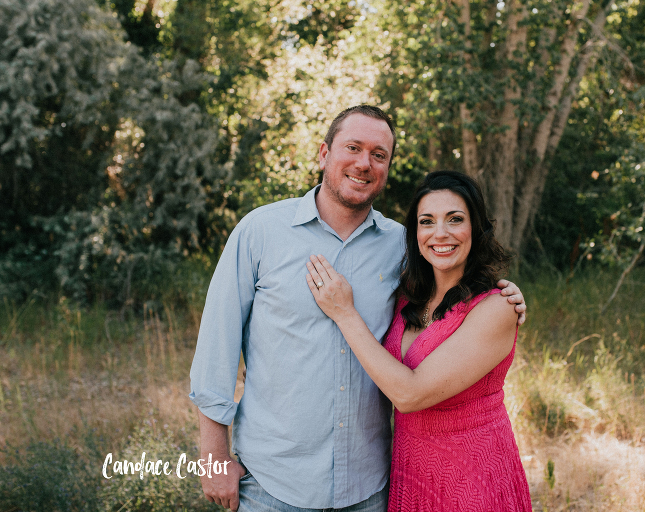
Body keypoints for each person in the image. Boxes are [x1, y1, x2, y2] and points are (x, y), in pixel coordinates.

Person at [189, 105, 527, 512]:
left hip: (369, 487)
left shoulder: (401, 246)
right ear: (324, 153)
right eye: (353, 147)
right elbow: (216, 349)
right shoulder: (260, 233)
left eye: (379, 155)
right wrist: (213, 457)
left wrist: (502, 294)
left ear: (387, 166)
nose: (364, 163)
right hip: (273, 485)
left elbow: (451, 290)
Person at [306, 170, 532, 511]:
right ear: (415, 233)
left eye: (455, 219)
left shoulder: (496, 307)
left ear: (476, 228)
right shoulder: (407, 298)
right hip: (410, 473)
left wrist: (344, 313)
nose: (440, 234)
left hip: (470, 480)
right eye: (427, 221)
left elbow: (409, 394)